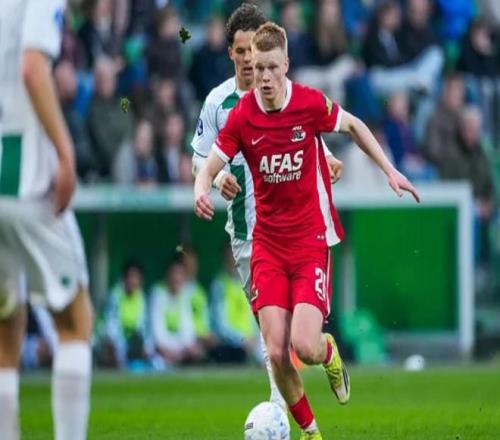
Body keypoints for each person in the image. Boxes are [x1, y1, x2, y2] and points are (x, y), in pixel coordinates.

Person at [194, 22, 420, 439]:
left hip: (309, 242)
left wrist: (390, 170)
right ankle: (312, 433)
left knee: (303, 345)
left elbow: (354, 125)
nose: (263, 77)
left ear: (286, 65)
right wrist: (201, 188)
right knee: (276, 350)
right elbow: (209, 164)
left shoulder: (308, 103)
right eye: (258, 67)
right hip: (266, 245)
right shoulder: (242, 115)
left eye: (271, 67)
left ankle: (328, 351)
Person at [191, 3, 343, 412]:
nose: (247, 59)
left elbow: (305, 134)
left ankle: (284, 412)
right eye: (240, 51)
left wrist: (328, 157)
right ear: (230, 52)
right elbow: (199, 160)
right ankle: (287, 417)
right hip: (249, 236)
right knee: (272, 340)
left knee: (292, 340)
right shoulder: (218, 103)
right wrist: (214, 180)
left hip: (296, 230)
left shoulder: (285, 93)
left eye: (252, 51)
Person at [0, 1, 94, 440]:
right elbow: (33, 67)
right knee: (75, 317)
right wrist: (65, 150)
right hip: (24, 176)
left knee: (5, 326)